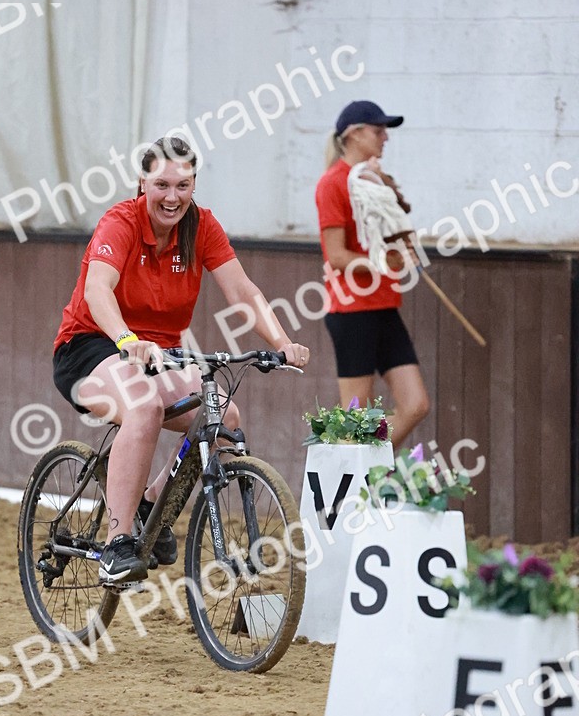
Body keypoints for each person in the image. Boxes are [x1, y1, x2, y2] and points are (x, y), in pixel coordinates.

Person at [53, 135, 309, 585]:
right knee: (145, 407)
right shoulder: (121, 222)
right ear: (142, 182)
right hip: (91, 344)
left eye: (184, 185)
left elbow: (242, 291)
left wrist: (282, 341)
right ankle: (118, 543)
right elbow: (97, 290)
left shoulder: (201, 226)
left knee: (223, 416)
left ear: (194, 185)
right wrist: (127, 338)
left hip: (160, 353)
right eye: (162, 185)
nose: (172, 197)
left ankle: (154, 504)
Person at [315, 99, 429, 448]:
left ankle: (365, 466)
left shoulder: (373, 182)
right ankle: (348, 487)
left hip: (382, 306)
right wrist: (382, 263)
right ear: (353, 135)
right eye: (378, 131)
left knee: (415, 404)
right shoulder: (332, 184)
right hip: (351, 311)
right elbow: (336, 256)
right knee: (356, 416)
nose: (385, 138)